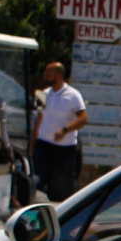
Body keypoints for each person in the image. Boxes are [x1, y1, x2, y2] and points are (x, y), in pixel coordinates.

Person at [31, 60, 87, 200]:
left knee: (61, 188)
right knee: (38, 180)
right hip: (43, 144)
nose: (45, 77)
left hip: (65, 148)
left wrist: (65, 130)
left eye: (49, 74)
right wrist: (33, 143)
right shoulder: (42, 94)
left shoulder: (73, 95)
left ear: (59, 75)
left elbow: (83, 119)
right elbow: (38, 119)